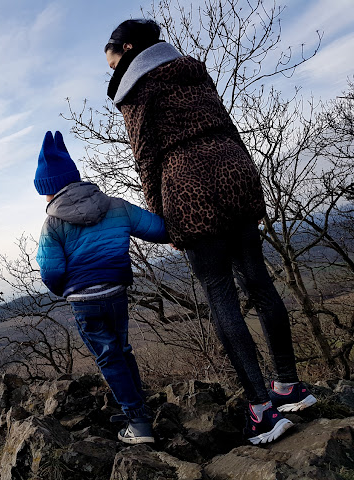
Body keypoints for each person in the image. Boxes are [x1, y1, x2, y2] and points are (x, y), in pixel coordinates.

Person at [103, 19, 316, 445]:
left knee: (219, 290)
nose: (108, 69)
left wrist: (158, 210)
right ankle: (288, 385)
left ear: (126, 48)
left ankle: (261, 410)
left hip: (188, 182)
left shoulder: (135, 88)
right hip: (234, 167)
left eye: (109, 59)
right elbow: (227, 123)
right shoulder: (192, 70)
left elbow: (146, 156)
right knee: (257, 280)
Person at [34, 130, 169, 444]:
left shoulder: (52, 224)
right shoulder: (115, 206)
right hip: (116, 293)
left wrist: (68, 289)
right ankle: (138, 410)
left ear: (50, 190)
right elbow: (158, 229)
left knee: (108, 357)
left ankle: (138, 424)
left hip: (85, 301)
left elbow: (51, 272)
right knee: (122, 350)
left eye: (44, 192)